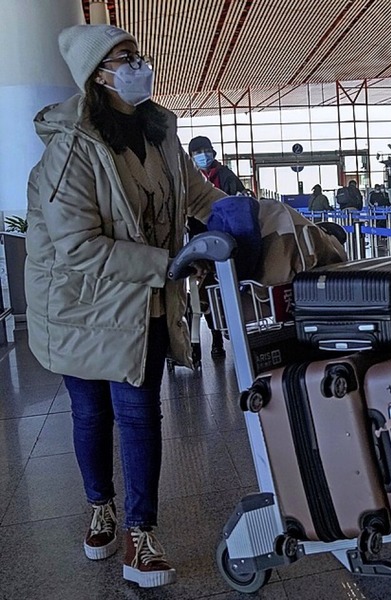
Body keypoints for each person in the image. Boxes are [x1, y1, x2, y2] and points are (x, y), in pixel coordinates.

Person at [25, 24, 226, 588]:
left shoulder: (161, 131)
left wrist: (235, 217)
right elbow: (78, 246)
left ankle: (142, 535)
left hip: (142, 300)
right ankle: (100, 508)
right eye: (122, 59)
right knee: (91, 412)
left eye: (137, 54)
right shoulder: (72, 149)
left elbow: (196, 193)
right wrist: (168, 265)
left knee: (139, 414)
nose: (137, 65)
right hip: (78, 307)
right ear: (98, 75)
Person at [188, 135, 246, 358]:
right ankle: (196, 343)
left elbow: (239, 201)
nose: (203, 155)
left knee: (217, 293)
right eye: (197, 152)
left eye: (206, 150)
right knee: (197, 295)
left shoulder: (224, 175)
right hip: (196, 246)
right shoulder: (190, 178)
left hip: (222, 244)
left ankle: (217, 338)